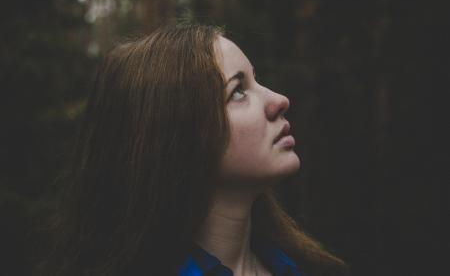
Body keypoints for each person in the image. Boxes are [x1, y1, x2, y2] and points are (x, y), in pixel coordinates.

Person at [37, 24, 348, 276]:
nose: (279, 99)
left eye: (256, 80)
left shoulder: (304, 268)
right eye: (237, 91)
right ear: (175, 136)